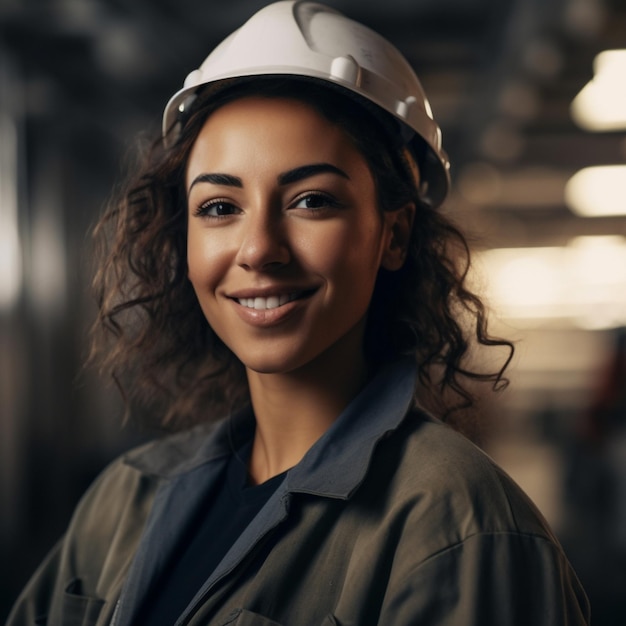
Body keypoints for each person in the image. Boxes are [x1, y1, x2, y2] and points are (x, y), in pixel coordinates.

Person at [7, 1, 590, 625]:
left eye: (312, 200)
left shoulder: (461, 530)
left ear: (392, 235)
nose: (258, 248)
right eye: (219, 207)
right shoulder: (125, 500)